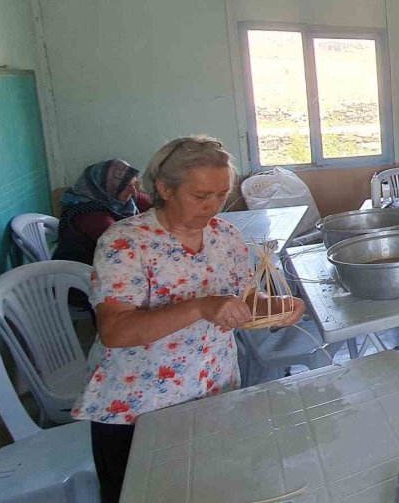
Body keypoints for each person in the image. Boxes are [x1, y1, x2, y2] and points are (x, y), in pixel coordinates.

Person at [71, 136, 306, 503]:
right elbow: (114, 330)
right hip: (136, 409)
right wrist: (200, 307)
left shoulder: (226, 236)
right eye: (200, 196)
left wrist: (278, 306)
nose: (213, 206)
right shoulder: (125, 242)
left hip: (212, 390)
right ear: (164, 188)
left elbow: (241, 302)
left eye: (221, 194)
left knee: (209, 489)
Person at [53, 159, 153, 266]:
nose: (134, 191)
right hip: (78, 272)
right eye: (128, 186)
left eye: (133, 184)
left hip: (110, 262)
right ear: (110, 186)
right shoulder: (88, 213)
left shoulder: (118, 196)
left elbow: (159, 205)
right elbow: (120, 242)